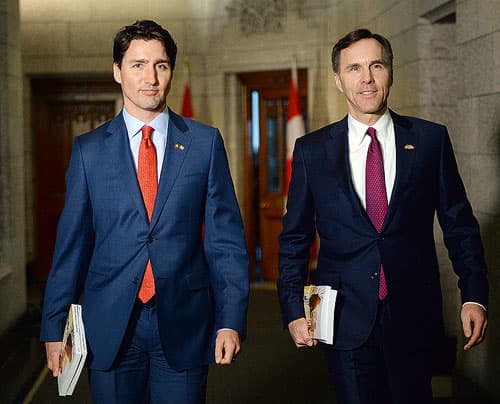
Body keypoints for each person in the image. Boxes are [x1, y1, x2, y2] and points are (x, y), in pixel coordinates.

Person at [40, 20, 249, 403]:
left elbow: (226, 243)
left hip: (185, 320)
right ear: (117, 71)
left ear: (171, 70)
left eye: (161, 65)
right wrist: (54, 327)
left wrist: (230, 321)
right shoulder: (89, 151)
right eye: (138, 65)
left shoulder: (204, 143)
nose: (150, 77)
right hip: (110, 327)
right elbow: (71, 247)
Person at [277, 28, 488, 404]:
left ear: (391, 72)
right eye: (355, 68)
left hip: (414, 314)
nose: (367, 78)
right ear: (338, 81)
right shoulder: (311, 151)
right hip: (342, 317)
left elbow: (460, 225)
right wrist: (293, 308)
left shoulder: (429, 140)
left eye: (376, 65)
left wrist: (474, 295)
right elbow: (294, 239)